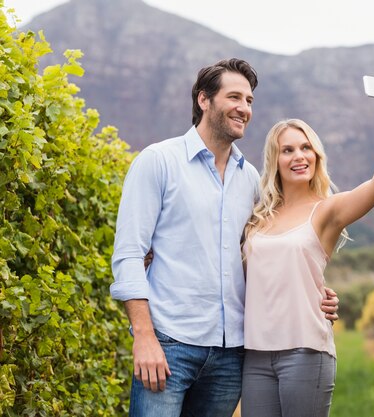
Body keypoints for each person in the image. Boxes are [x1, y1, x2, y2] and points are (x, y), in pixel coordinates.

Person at [110, 58, 338, 417]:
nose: (244, 108)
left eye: (249, 100)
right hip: (169, 346)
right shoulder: (158, 161)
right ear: (204, 100)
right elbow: (128, 255)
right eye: (235, 97)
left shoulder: (250, 180)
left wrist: (314, 293)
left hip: (232, 356)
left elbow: (274, 250)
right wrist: (143, 336)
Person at [241, 77, 374, 417]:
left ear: (317, 156)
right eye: (287, 150)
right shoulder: (257, 216)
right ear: (275, 160)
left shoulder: (326, 211)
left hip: (305, 352)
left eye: (306, 148)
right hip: (255, 355)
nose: (299, 156)